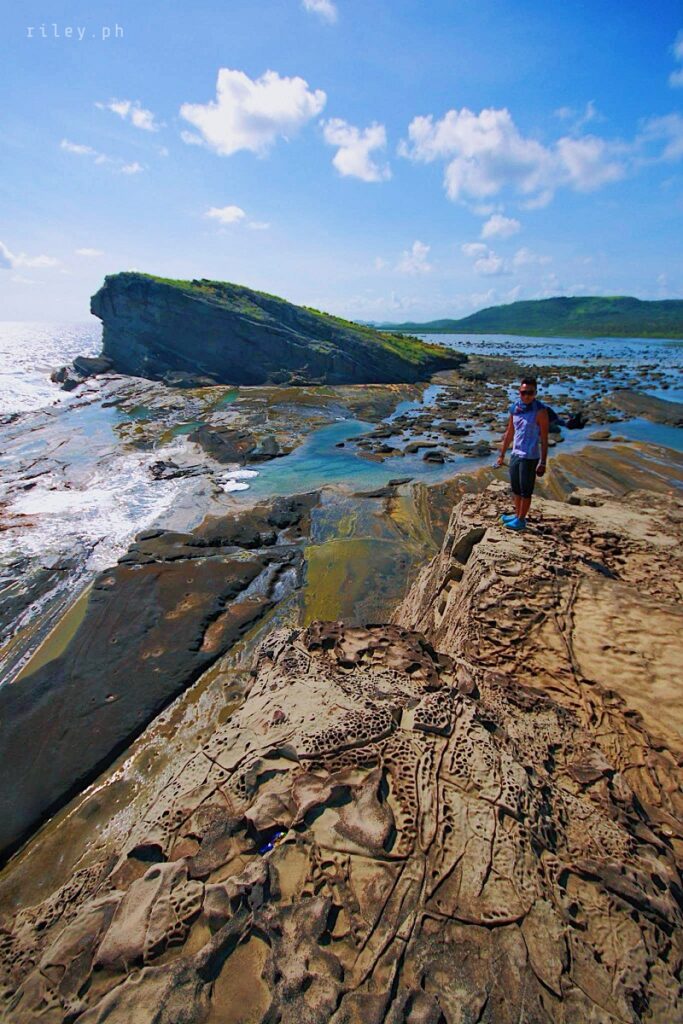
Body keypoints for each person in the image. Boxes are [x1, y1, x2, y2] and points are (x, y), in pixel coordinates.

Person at [495, 377, 549, 531]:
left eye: (530, 393)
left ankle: (521, 520)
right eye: (523, 392)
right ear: (519, 392)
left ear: (535, 393)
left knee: (526, 491)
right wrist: (501, 454)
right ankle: (517, 514)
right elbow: (509, 432)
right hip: (516, 454)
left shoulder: (540, 411)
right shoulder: (515, 409)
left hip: (530, 456)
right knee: (516, 489)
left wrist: (543, 462)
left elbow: (544, 438)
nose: (526, 396)